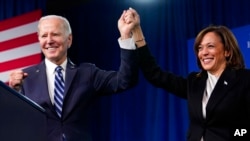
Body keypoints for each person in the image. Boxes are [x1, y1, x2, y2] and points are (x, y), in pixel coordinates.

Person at [8, 8, 138, 141]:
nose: (49, 40)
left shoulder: (87, 73)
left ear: (69, 40)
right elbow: (13, 122)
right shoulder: (26, 77)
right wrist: (14, 93)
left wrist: (126, 36)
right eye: (44, 36)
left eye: (55, 34)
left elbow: (125, 80)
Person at [127, 8, 250, 141]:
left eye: (210, 46)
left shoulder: (244, 79)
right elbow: (155, 75)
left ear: (227, 51)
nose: (204, 53)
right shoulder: (195, 82)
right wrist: (137, 33)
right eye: (200, 48)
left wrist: (231, 135)